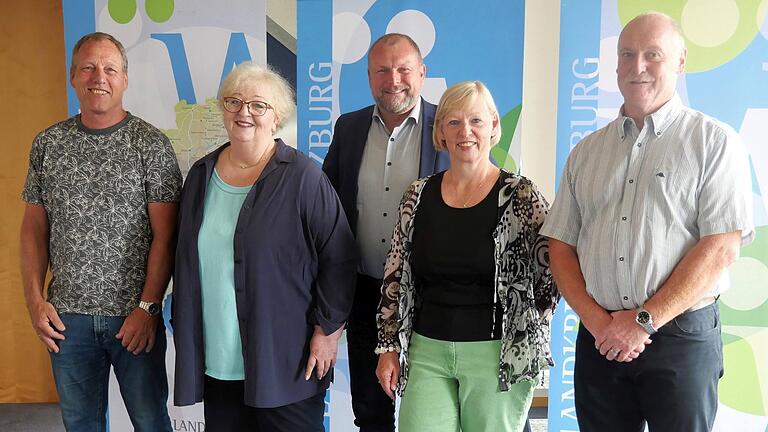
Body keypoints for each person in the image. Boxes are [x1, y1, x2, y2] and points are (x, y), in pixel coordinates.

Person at [541, 12, 754, 432]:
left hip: (680, 339)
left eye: (652, 55)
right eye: (627, 55)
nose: (637, 66)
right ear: (616, 65)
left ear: (680, 61)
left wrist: (642, 322)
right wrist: (598, 321)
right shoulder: (586, 152)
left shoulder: (714, 142)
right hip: (600, 338)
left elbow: (720, 247)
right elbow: (561, 246)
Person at [172, 62, 357, 431]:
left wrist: (328, 332)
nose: (245, 112)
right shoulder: (200, 175)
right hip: (219, 362)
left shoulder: (304, 177)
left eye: (259, 105)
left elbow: (340, 260)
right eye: (234, 101)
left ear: (277, 118)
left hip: (287, 363)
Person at [374, 81, 558, 432]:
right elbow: (395, 275)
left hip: (495, 357)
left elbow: (552, 271)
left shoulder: (520, 195)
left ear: (493, 126)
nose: (465, 132)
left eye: (475, 120)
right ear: (440, 130)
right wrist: (387, 347)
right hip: (426, 351)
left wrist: (529, 325)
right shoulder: (418, 194)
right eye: (454, 122)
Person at [20, 32, 180, 432]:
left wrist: (148, 309)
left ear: (125, 78)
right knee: (80, 425)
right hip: (66, 322)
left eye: (110, 68)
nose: (99, 77)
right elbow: (33, 229)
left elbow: (167, 236)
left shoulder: (151, 146)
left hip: (134, 321)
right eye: (88, 68)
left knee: (150, 421)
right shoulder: (48, 144)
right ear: (73, 76)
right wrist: (35, 302)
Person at [322, 32, 450, 432]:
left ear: (422, 73)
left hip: (430, 296)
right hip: (364, 293)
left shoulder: (448, 126)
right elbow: (327, 204)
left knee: (430, 411)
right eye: (382, 70)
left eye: (403, 69)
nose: (393, 79)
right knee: (371, 410)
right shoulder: (349, 127)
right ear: (369, 76)